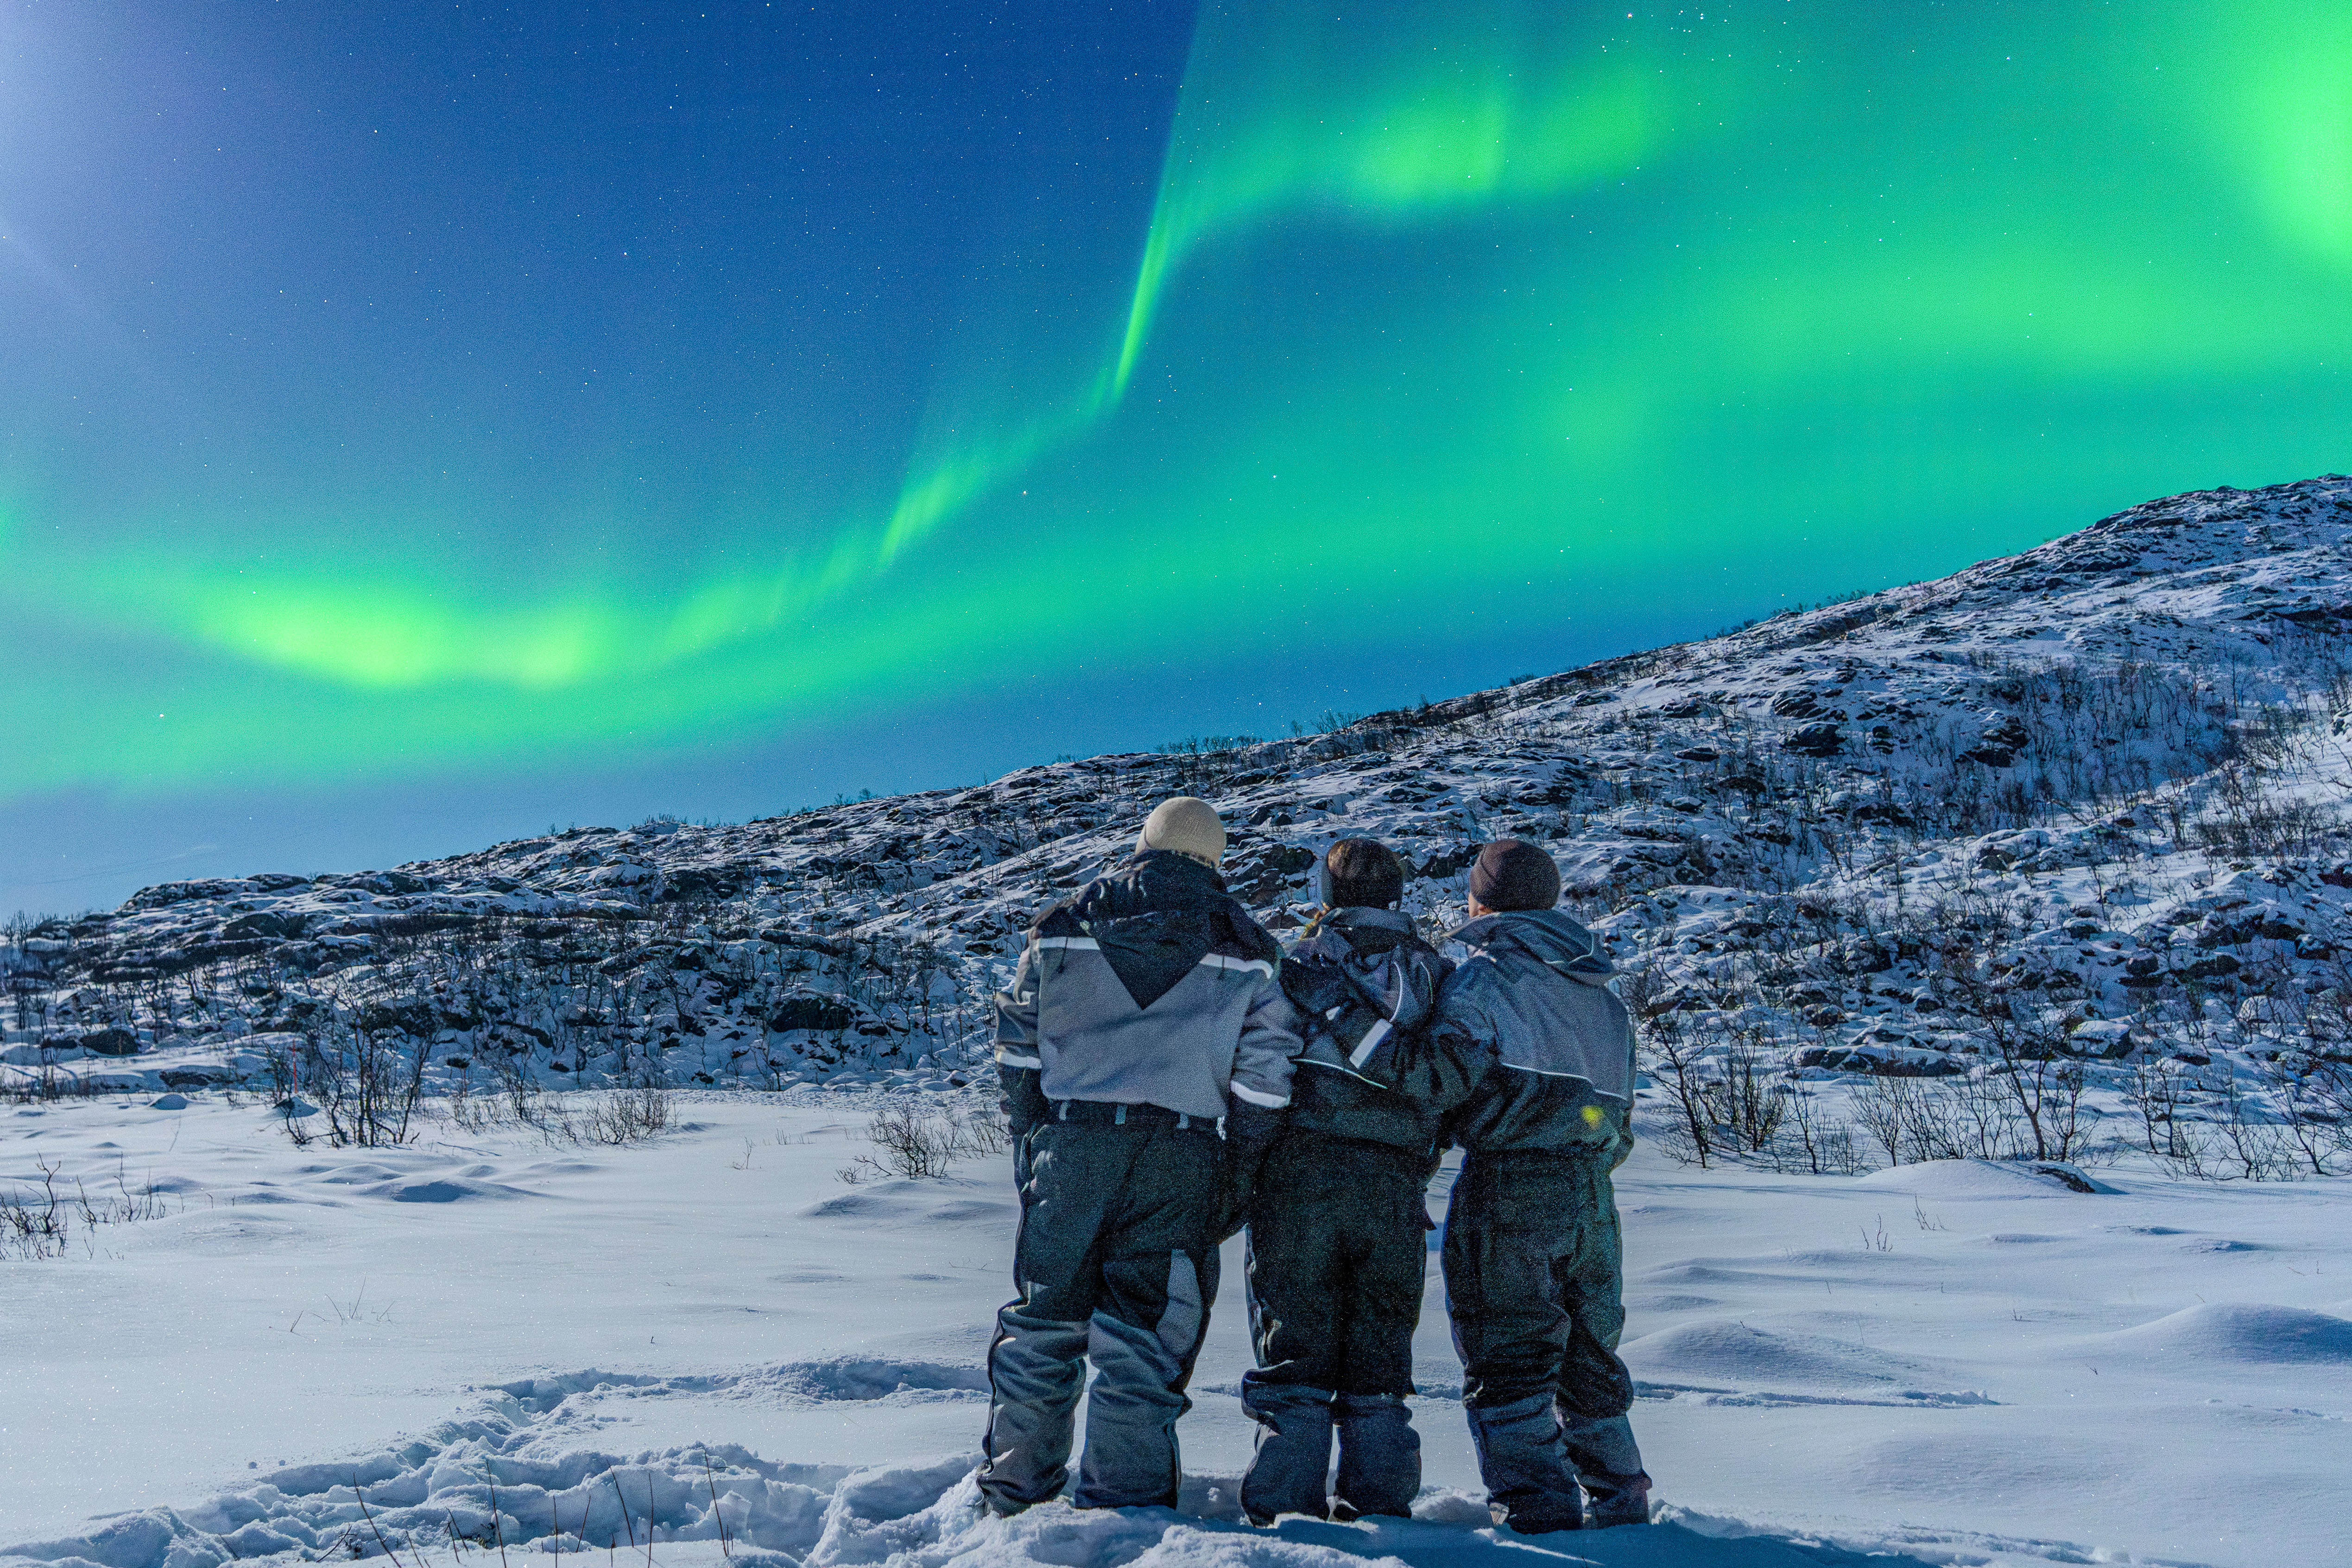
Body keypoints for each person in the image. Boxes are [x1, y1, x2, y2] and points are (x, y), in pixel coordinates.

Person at [981, 796, 1300, 1517]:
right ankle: (1123, 1514)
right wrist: (1241, 1166)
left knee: (1042, 1323)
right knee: (1145, 1337)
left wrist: (1035, 1134)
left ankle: (1014, 1497)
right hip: (1180, 1156)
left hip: (1071, 1145)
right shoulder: (1248, 948)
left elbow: (1017, 1041)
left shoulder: (1062, 926)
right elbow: (1264, 1075)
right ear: (1216, 859)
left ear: (1142, 846)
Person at [1374, 838, 1651, 1533]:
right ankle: (1624, 1506)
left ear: (1484, 900)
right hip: (1593, 1199)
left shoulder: (1486, 980)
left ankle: (1540, 1514)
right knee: (1590, 1355)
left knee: (1510, 1358)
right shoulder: (1607, 1001)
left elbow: (1441, 1083)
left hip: (1509, 1191)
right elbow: (1612, 1119)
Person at [1236, 838, 1455, 1525]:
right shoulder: (1436, 973)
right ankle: (1382, 1509)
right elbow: (1454, 1083)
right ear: (1398, 893)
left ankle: (1282, 1513)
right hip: (1395, 1188)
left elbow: (1262, 1060)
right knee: (1380, 1359)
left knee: (1293, 1351)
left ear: (1325, 896)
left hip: (1298, 1180)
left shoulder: (1298, 964)